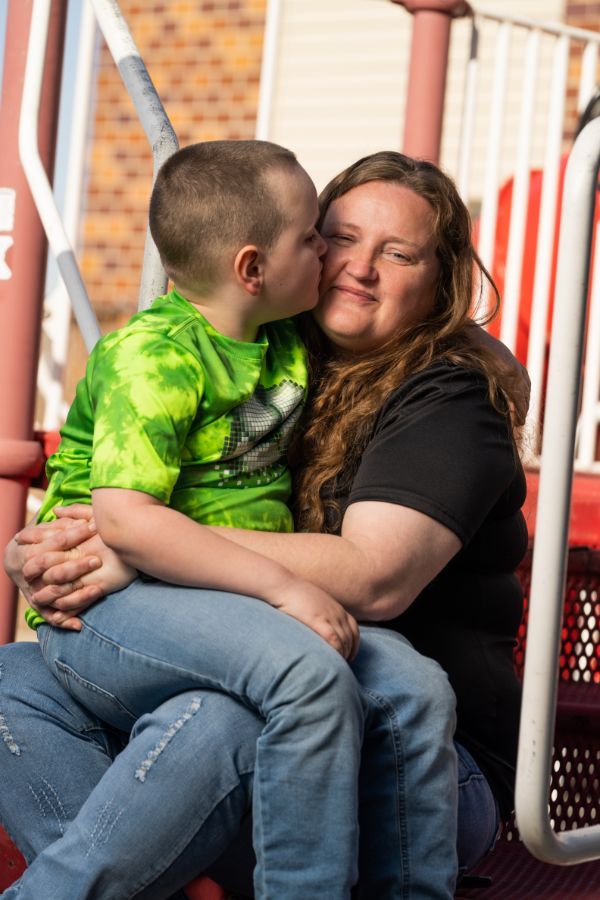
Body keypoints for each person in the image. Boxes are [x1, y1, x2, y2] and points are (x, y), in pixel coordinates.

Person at [1, 150, 528, 899]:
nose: (356, 267)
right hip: (267, 659)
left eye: (399, 253)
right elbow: (123, 476)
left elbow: (372, 577)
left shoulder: (449, 396)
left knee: (222, 717)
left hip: (420, 766)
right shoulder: (270, 344)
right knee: (11, 677)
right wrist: (50, 551)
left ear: (440, 283)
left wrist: (134, 544)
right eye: (336, 237)